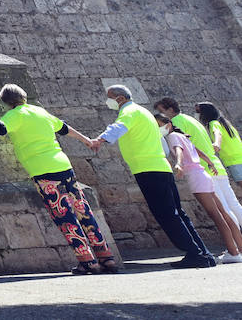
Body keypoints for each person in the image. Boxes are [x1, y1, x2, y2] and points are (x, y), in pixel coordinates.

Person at [0, 84, 116, 273]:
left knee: (64, 215)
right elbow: (64, 128)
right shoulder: (39, 111)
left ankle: (88, 261)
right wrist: (87, 140)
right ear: (23, 96)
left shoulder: (15, 115)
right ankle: (106, 257)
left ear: (6, 102)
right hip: (63, 165)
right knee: (83, 210)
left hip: (42, 170)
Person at [88, 85, 214, 268]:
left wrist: (99, 140)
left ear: (120, 98)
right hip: (160, 167)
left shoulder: (129, 111)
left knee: (167, 214)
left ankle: (195, 254)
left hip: (148, 169)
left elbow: (118, 127)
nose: (107, 101)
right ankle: (203, 253)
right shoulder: (144, 112)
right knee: (178, 213)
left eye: (110, 97)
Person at [158, 114, 242, 263]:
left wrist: (178, 163)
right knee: (223, 213)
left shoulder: (172, 137)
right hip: (204, 174)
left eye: (159, 124)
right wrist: (210, 163)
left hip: (196, 178)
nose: (159, 128)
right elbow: (197, 151)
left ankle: (233, 252)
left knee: (217, 216)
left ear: (168, 124)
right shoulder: (182, 135)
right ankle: (238, 249)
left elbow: (179, 150)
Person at [154, 98, 242, 228]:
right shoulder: (191, 119)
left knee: (223, 209)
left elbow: (186, 147)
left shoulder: (176, 123)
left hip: (204, 169)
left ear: (171, 110)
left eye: (162, 111)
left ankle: (236, 244)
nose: (161, 116)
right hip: (216, 165)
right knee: (233, 204)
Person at [198, 102, 242, 188]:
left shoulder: (213, 123)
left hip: (233, 160)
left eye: (199, 112)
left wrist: (217, 143)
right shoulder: (225, 123)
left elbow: (217, 133)